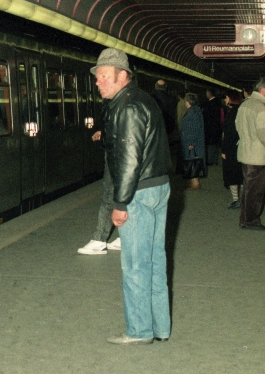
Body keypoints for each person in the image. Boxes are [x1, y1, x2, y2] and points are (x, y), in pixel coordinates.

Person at [90, 48, 171, 345]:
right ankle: (160, 326)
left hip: (138, 192)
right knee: (154, 260)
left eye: (104, 77)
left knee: (135, 264)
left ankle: (139, 331)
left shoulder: (127, 106)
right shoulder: (141, 99)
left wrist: (120, 203)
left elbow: (129, 159)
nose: (99, 83)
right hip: (158, 186)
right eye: (98, 78)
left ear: (123, 76)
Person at [235, 77, 265, 231]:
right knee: (255, 191)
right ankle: (251, 221)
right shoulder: (262, 109)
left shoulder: (245, 105)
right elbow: (264, 135)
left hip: (245, 153)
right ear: (262, 90)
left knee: (248, 189)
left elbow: (237, 125)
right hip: (257, 157)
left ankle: (244, 219)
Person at [78, 98, 121, 254]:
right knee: (121, 194)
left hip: (116, 153)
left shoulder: (119, 101)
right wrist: (104, 133)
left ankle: (99, 240)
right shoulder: (124, 98)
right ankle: (125, 236)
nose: (98, 82)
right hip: (117, 151)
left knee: (109, 194)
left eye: (104, 77)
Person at [221, 90, 243, 209]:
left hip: (231, 148)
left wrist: (224, 150)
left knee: (232, 174)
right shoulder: (241, 110)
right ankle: (244, 199)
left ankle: (236, 200)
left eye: (226, 98)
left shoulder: (231, 113)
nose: (225, 100)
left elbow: (228, 134)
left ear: (230, 99)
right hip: (241, 146)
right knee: (241, 174)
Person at [179, 93, 205, 190]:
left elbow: (192, 129)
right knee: (193, 161)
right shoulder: (196, 110)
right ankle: (194, 181)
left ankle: (195, 183)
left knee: (192, 161)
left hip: (192, 142)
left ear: (188, 102)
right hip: (195, 142)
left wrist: (191, 143)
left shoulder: (192, 113)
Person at [202, 88, 223, 166]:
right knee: (215, 144)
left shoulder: (208, 104)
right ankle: (214, 160)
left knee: (210, 145)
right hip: (217, 127)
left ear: (209, 94)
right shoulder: (219, 103)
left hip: (210, 127)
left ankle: (210, 160)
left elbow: (205, 117)